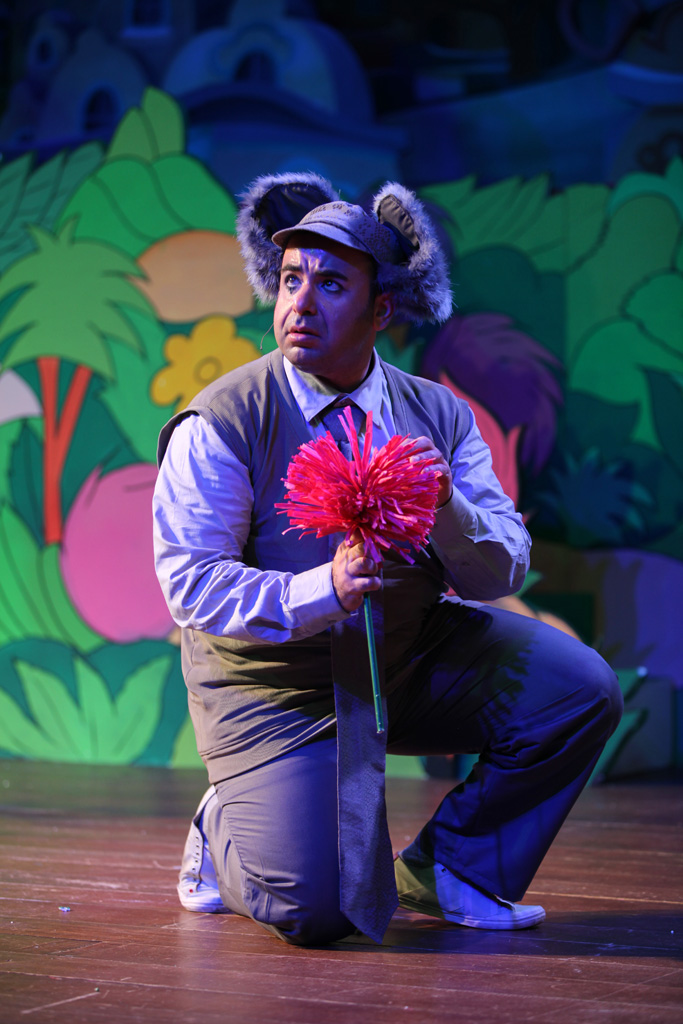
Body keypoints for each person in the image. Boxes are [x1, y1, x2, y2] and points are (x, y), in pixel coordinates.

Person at [153, 173, 622, 947]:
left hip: (402, 659)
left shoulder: (438, 414)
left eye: (331, 284)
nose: (300, 303)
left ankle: (456, 869)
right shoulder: (224, 420)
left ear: (381, 310)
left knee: (577, 690)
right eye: (291, 279)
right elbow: (192, 584)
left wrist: (446, 507)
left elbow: (499, 571)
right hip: (276, 691)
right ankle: (223, 830)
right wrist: (325, 589)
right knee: (317, 912)